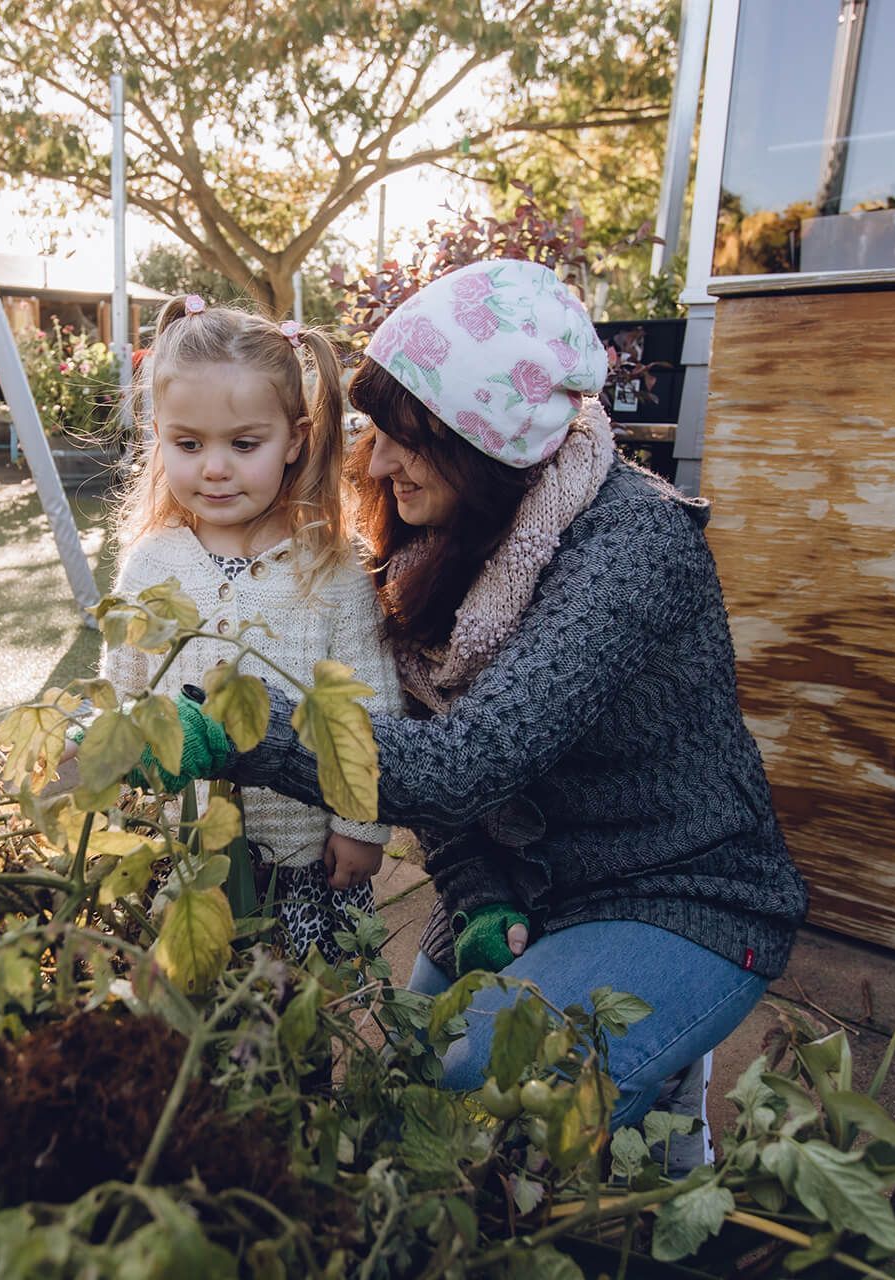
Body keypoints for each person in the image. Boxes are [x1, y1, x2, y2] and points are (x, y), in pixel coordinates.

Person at [143, 261, 809, 1130]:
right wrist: (473, 889)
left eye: (406, 436)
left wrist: (239, 729)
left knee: (472, 1097)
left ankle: (660, 1051)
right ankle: (637, 1056)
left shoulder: (631, 546)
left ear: (483, 437)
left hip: (678, 896)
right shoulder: (441, 534)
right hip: (524, 887)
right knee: (406, 1080)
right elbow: (421, 736)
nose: (376, 460)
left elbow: (465, 763)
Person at [100, 294, 403, 964]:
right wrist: (126, 797)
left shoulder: (333, 569)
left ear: (295, 438)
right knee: (184, 1027)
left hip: (300, 864)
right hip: (180, 852)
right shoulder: (152, 562)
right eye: (187, 444)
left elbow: (371, 713)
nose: (213, 467)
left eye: (244, 444)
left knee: (290, 1037)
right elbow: (122, 693)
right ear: (159, 436)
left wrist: (361, 826)